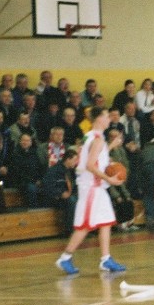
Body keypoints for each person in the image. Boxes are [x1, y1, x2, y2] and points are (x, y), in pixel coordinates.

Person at [55, 107, 126, 274]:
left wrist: (110, 147)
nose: (109, 118)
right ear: (99, 119)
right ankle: (65, 257)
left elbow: (95, 157)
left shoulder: (92, 136)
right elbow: (89, 165)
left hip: (95, 187)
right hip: (92, 187)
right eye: (107, 116)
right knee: (85, 226)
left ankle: (106, 259)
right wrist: (109, 179)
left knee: (106, 221)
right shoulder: (97, 139)